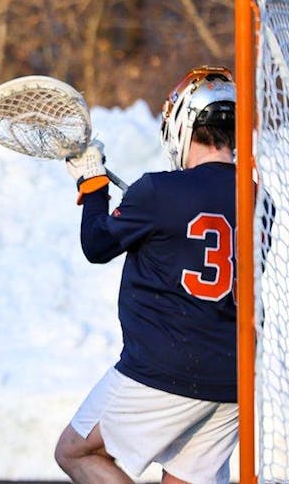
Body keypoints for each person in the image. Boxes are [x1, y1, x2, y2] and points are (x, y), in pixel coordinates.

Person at [55, 66, 242, 484]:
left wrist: (93, 183)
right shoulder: (261, 197)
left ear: (182, 125)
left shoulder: (157, 191)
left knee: (75, 451)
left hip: (165, 370)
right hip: (234, 379)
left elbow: (97, 245)